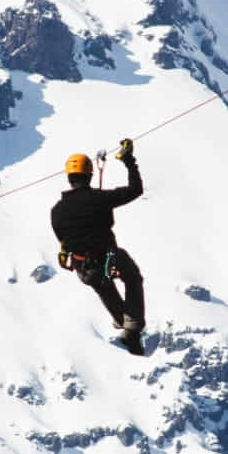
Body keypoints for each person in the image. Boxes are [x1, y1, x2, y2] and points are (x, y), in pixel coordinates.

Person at [50, 138, 146, 354]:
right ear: (89, 175)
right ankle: (131, 328)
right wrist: (129, 160)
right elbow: (135, 189)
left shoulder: (56, 211)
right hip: (107, 259)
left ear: (69, 178)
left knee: (103, 285)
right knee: (132, 276)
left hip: (84, 268)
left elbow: (63, 237)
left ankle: (125, 325)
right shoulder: (98, 199)